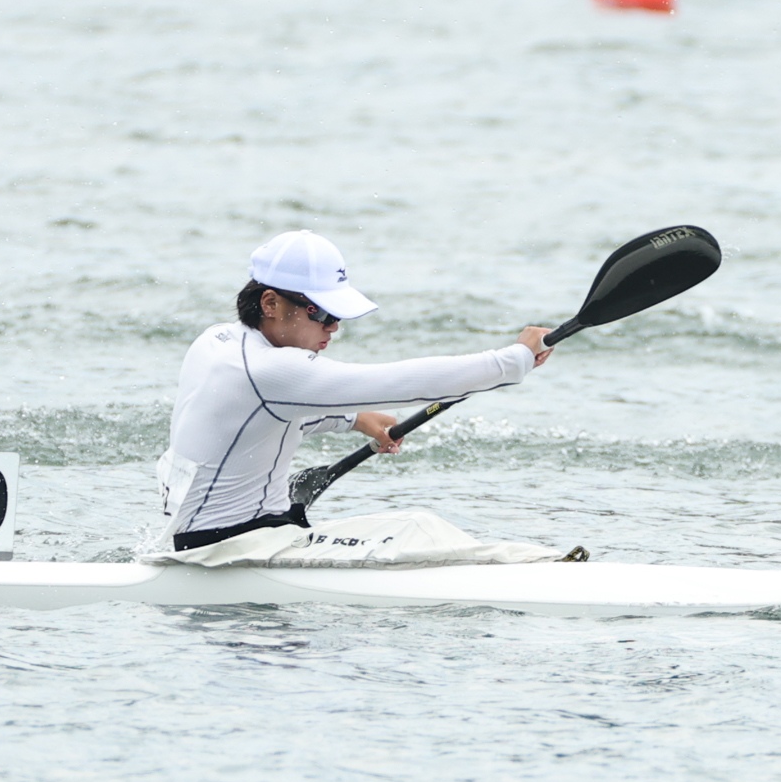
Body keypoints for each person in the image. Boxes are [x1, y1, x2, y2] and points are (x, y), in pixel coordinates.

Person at [160, 230, 554, 551]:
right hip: (231, 550)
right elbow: (403, 383)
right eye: (322, 313)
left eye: (338, 316)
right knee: (419, 527)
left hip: (200, 539)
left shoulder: (217, 341)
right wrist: (514, 359)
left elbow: (253, 419)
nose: (333, 327)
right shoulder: (271, 370)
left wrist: (355, 419)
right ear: (270, 303)